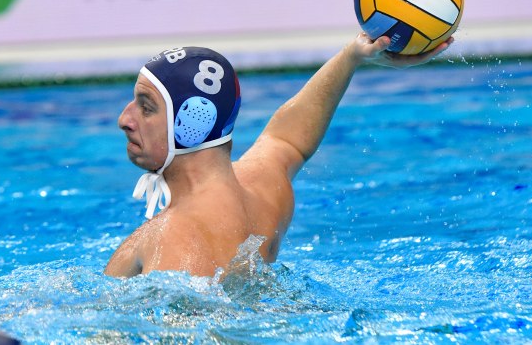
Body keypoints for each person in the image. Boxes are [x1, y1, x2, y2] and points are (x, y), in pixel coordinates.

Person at [104, 33, 453, 277]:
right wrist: (353, 56)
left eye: (146, 107)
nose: (125, 119)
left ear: (192, 124)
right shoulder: (263, 193)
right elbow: (287, 139)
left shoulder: (169, 239)